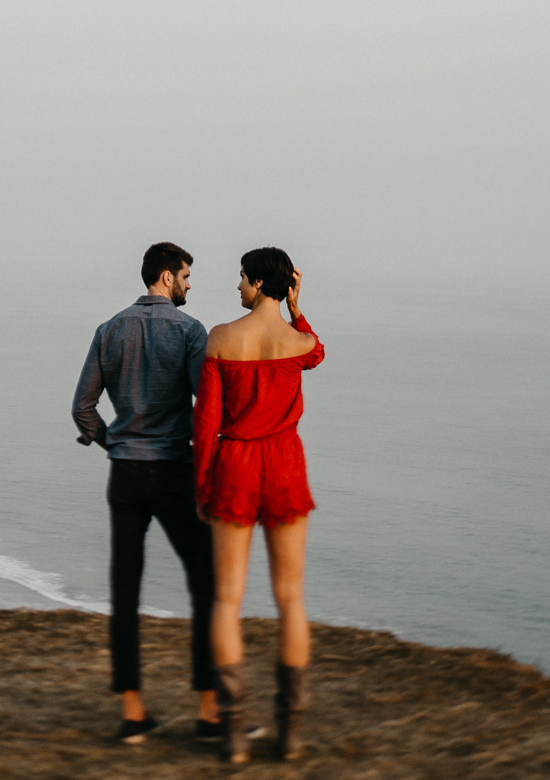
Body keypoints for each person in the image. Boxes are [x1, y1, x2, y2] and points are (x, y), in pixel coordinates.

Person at [71, 241, 222, 745]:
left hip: (126, 476)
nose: (188, 284)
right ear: (165, 277)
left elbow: (83, 409)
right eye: (184, 275)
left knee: (125, 591)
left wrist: (114, 443)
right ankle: (208, 710)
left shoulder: (108, 330)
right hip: (173, 470)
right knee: (206, 583)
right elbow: (208, 403)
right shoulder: (188, 330)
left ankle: (133, 713)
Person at [194, 246, 324, 763]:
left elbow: (205, 424)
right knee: (290, 597)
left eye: (242, 278)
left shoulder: (223, 339)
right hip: (285, 462)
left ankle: (231, 736)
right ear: (284, 284)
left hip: (236, 464)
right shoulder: (299, 341)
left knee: (227, 598)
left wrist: (203, 487)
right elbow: (315, 353)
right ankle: (289, 733)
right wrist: (296, 306)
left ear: (255, 282)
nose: (238, 287)